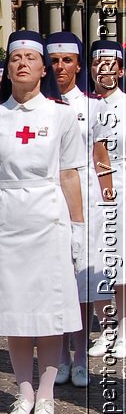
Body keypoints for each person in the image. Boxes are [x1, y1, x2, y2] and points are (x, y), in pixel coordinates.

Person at [0, 31, 85, 414]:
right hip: (7, 217)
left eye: (29, 58)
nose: (22, 63)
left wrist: (78, 227)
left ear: (42, 69)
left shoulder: (61, 115)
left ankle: (48, 395)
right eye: (15, 57)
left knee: (50, 309)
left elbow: (69, 174)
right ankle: (23, 392)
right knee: (16, 309)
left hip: (48, 215)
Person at [47, 32, 105, 386]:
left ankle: (80, 354)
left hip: (85, 198)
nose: (60, 68)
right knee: (57, 282)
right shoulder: (44, 108)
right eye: (54, 61)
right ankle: (60, 357)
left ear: (79, 65)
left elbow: (102, 159)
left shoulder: (93, 107)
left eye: (67, 61)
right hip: (50, 198)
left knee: (81, 283)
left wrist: (108, 202)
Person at [89, 39, 125, 359]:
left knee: (121, 263)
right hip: (91, 188)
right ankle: (106, 328)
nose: (102, 70)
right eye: (97, 64)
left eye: (109, 65)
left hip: (121, 184)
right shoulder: (86, 108)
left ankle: (124, 329)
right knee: (97, 263)